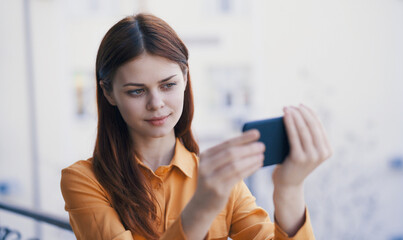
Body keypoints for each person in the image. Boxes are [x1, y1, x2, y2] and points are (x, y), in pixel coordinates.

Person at [60, 13, 332, 240]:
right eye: (136, 91)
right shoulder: (84, 180)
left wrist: (289, 189)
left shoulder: (223, 181)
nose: (156, 103)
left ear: (185, 77)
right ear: (108, 93)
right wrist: (202, 206)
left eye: (168, 85)